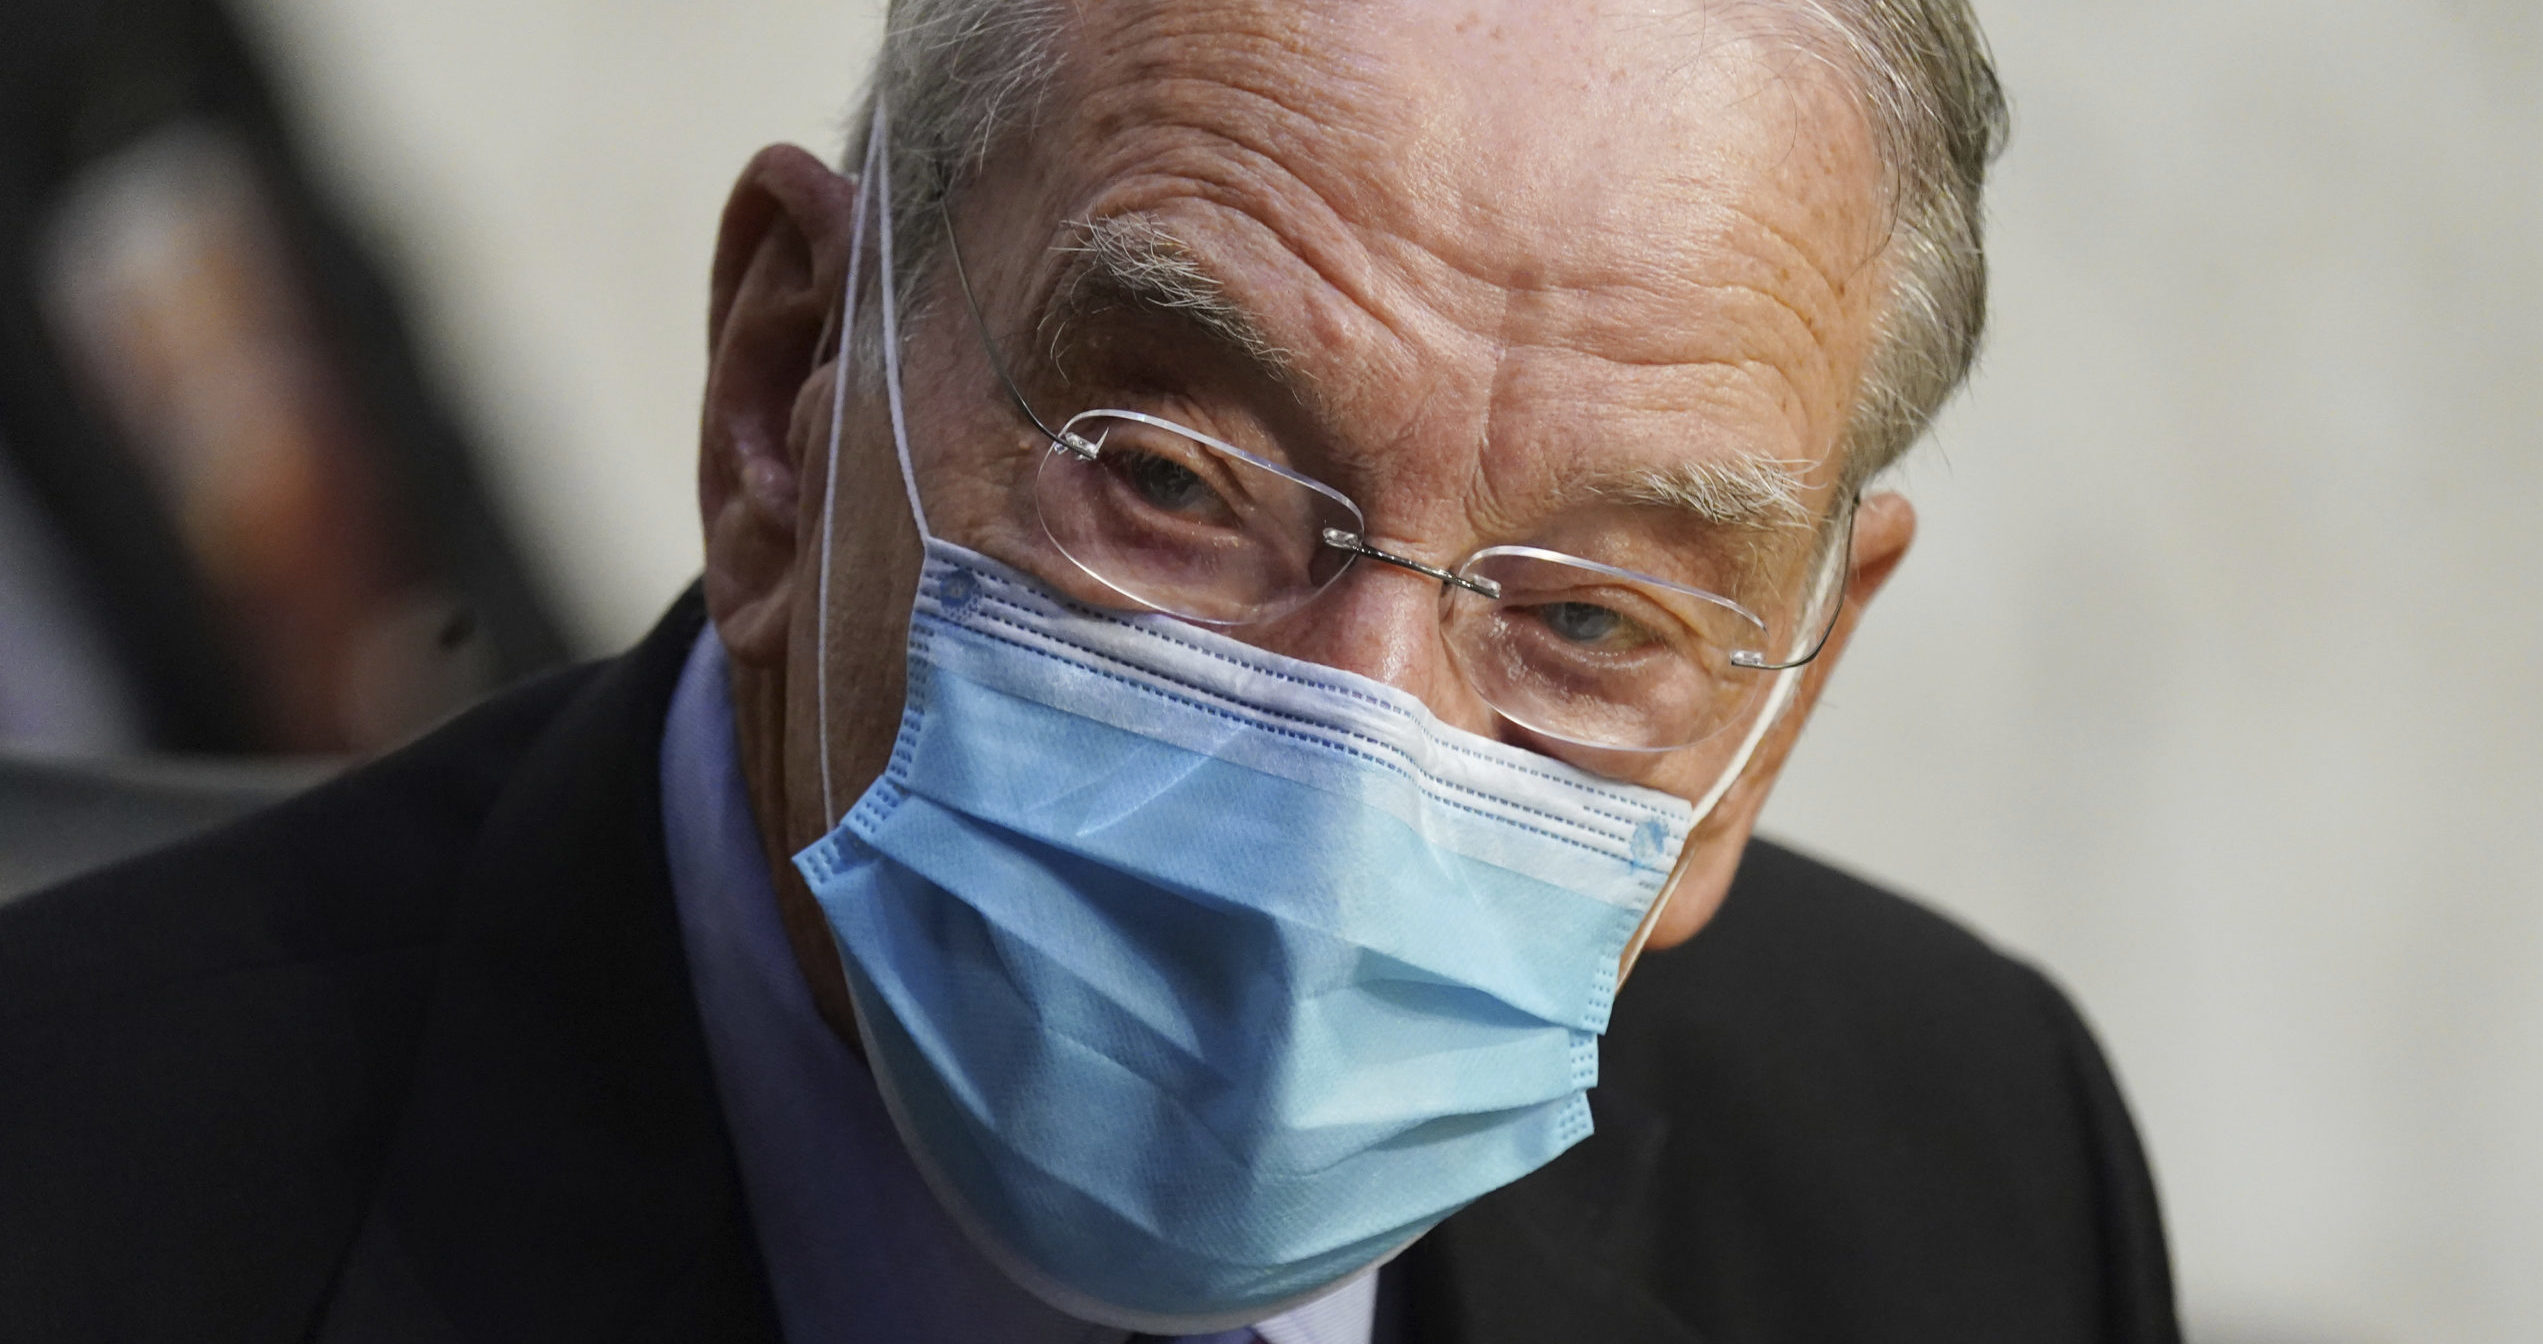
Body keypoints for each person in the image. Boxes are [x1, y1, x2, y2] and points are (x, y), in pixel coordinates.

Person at [0, 1, 2181, 1340]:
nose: (1352, 770)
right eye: (1171, 485)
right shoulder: (78, 1207)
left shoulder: (1959, 1184)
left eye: (1588, 620)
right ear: (786, 398)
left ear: (1776, 704)